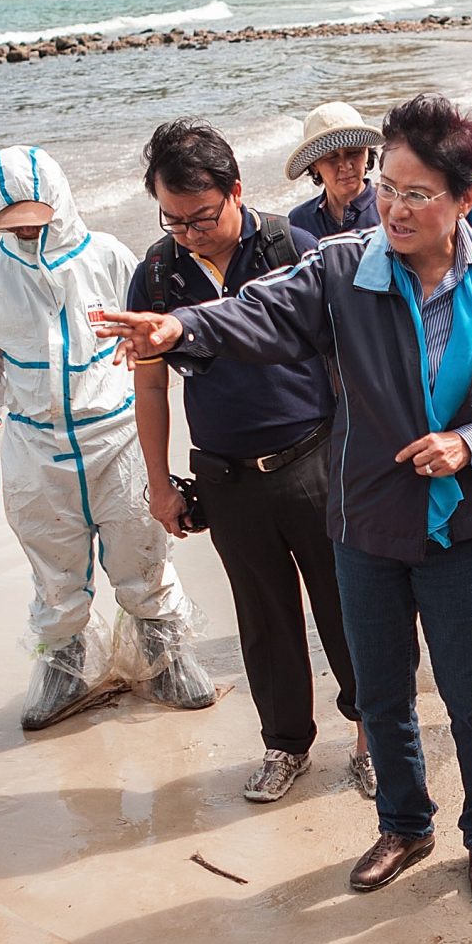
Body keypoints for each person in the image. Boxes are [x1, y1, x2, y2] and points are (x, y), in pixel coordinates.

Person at [95, 95, 472, 907]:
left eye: (420, 193)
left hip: (462, 526)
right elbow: (262, 310)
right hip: (366, 521)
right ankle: (404, 823)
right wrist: (181, 333)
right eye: (390, 188)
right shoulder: (342, 267)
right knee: (380, 691)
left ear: (464, 198)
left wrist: (471, 442)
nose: (396, 207)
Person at [126, 122, 369, 804]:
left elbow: (345, 361)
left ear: (236, 191)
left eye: (201, 216)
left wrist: (361, 457)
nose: (188, 233)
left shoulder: (294, 248)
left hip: (315, 460)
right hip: (225, 475)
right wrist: (159, 481)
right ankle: (285, 743)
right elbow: (150, 383)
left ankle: (371, 731)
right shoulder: (155, 271)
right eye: (172, 220)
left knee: (349, 605)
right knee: (262, 618)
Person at [0, 146, 211, 739]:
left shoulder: (108, 255)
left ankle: (165, 657)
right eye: (12, 219)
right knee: (54, 562)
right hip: (34, 443)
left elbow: (149, 347)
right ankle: (66, 669)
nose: (26, 228)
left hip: (114, 433)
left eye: (35, 215)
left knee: (139, 551)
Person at [284, 102, 384, 245]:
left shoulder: (387, 209)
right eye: (332, 157)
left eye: (354, 152)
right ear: (314, 166)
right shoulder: (300, 220)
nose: (345, 165)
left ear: (367, 153)